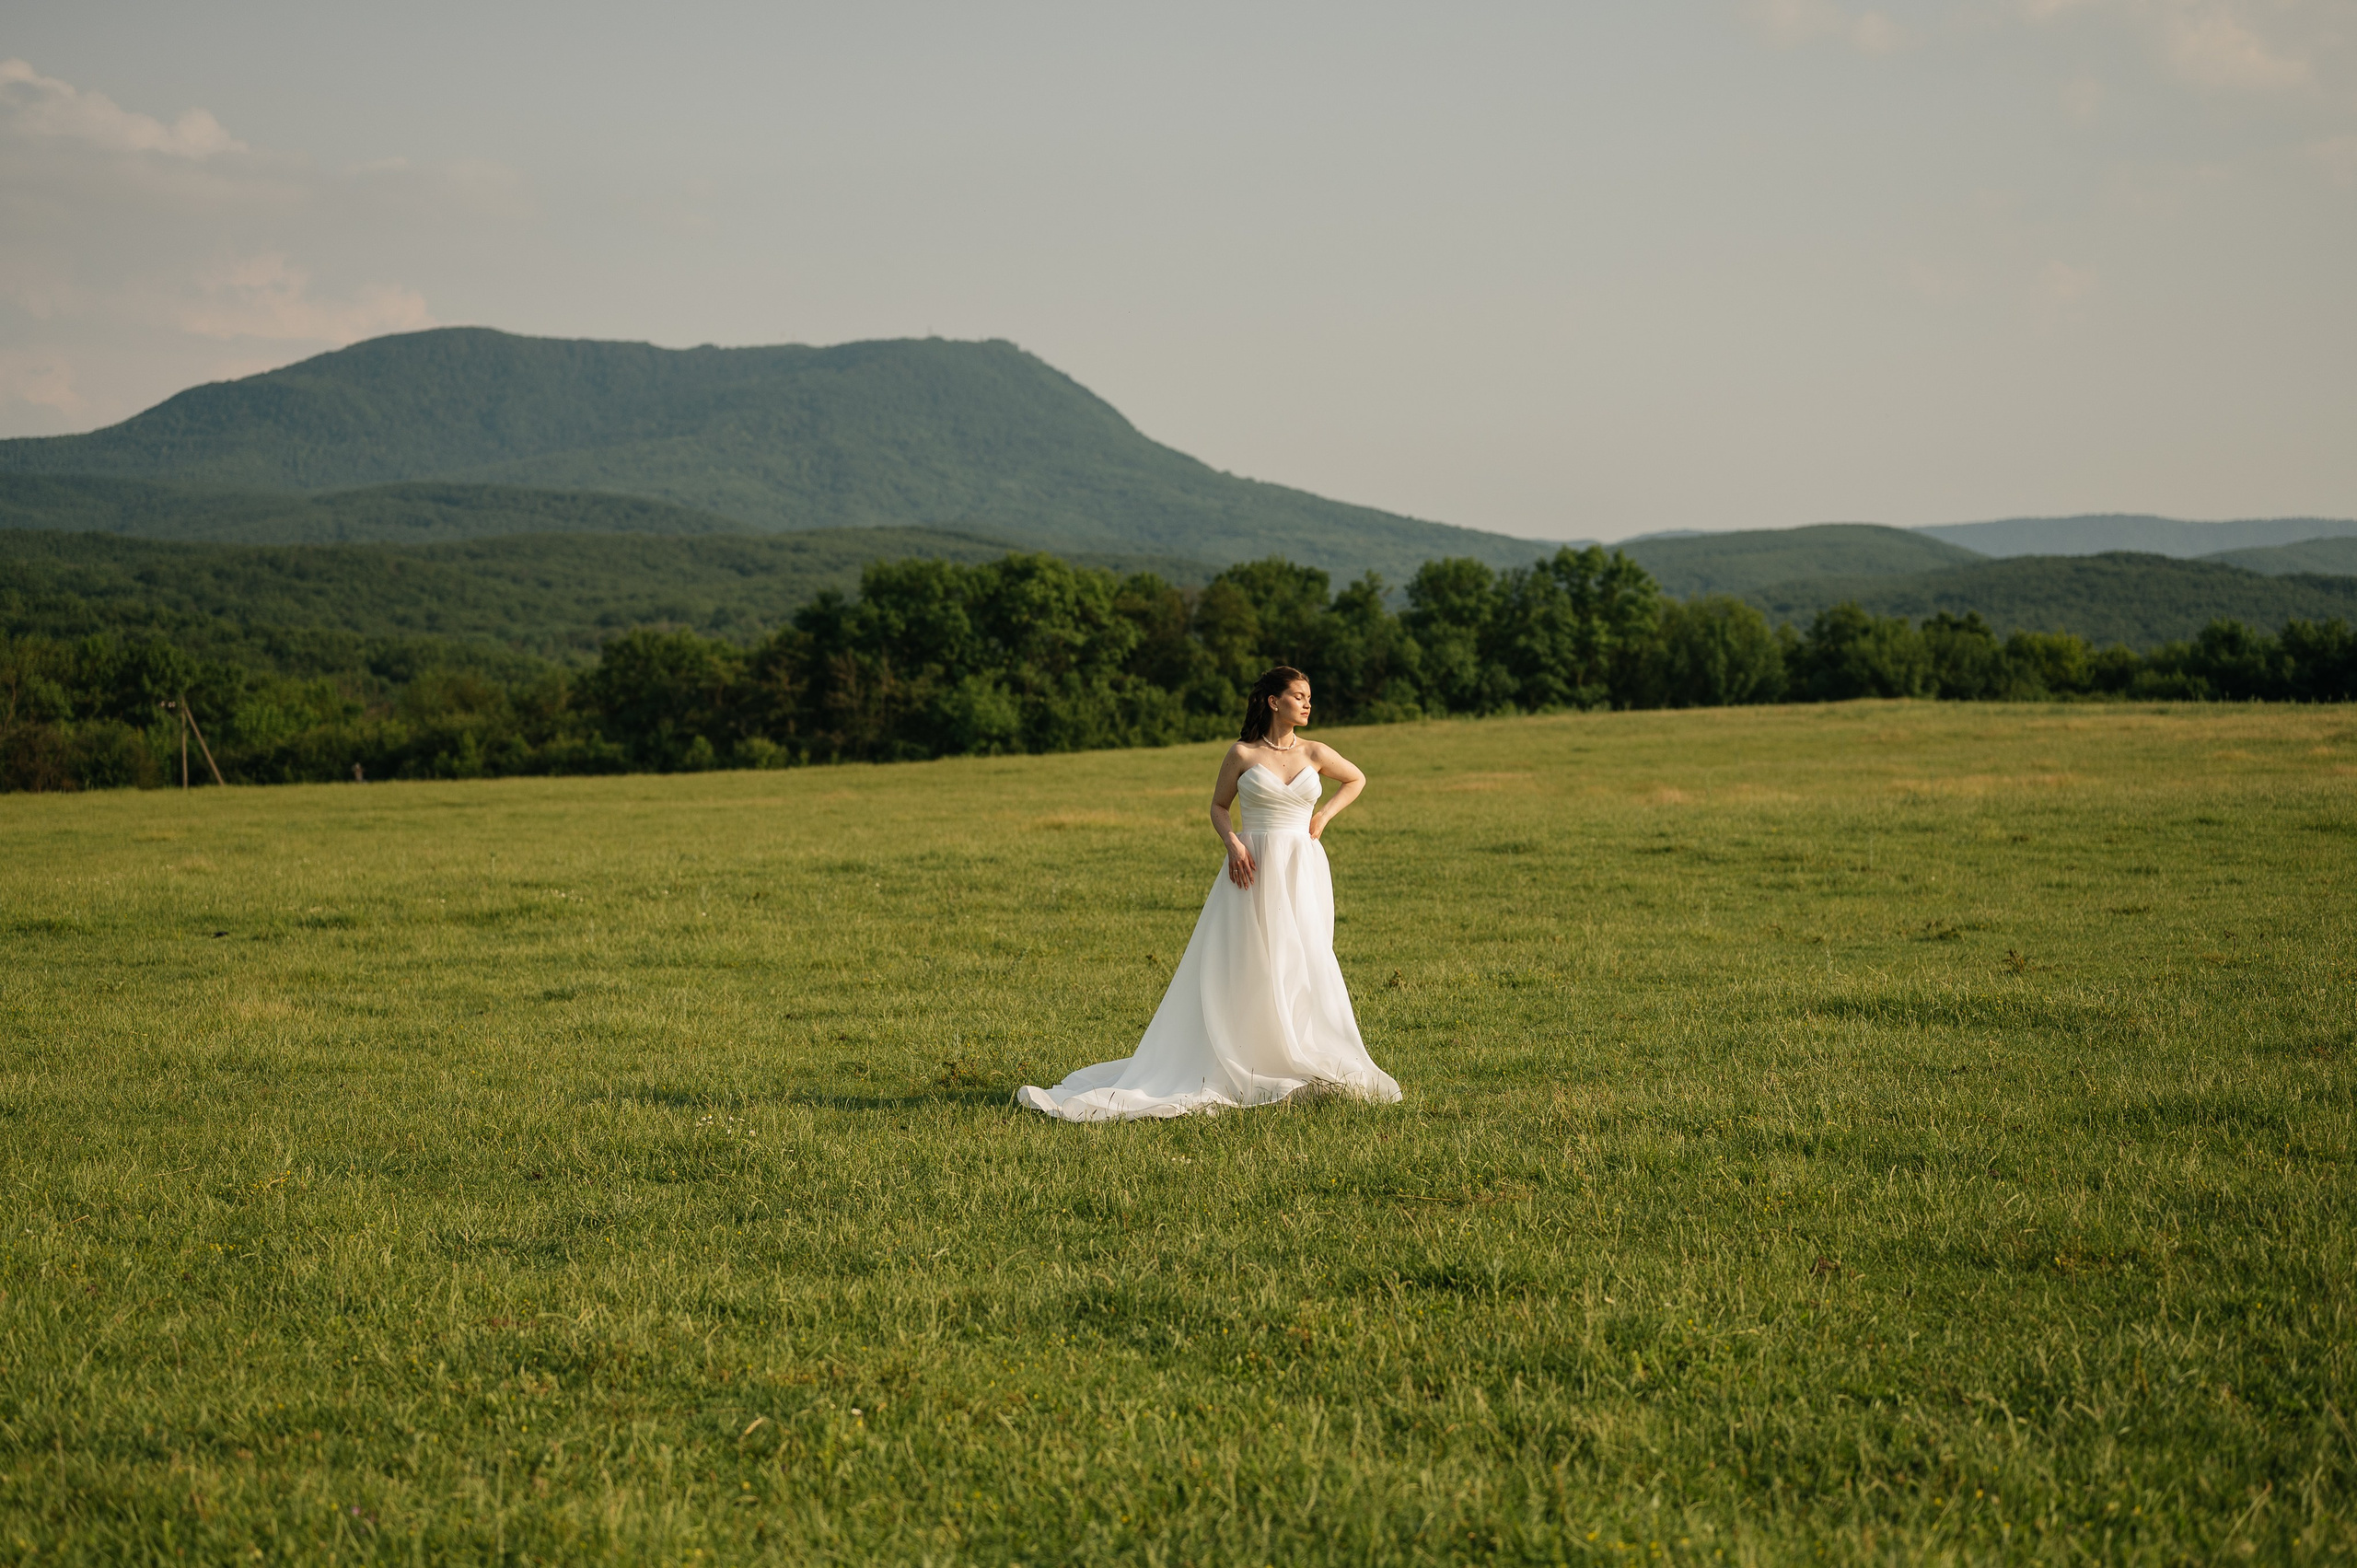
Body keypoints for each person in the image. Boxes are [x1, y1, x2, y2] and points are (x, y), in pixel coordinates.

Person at [1016, 667, 1402, 1121]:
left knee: (1304, 956)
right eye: (1298, 696)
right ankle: (1246, 1052)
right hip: (1252, 867)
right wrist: (1234, 843)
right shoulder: (1242, 753)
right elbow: (1219, 807)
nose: (1308, 703)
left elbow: (1355, 779)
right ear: (1274, 702)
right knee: (1250, 959)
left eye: (1309, 696)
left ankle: (1301, 1049)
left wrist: (1322, 818)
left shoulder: (1316, 751)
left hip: (1302, 867)